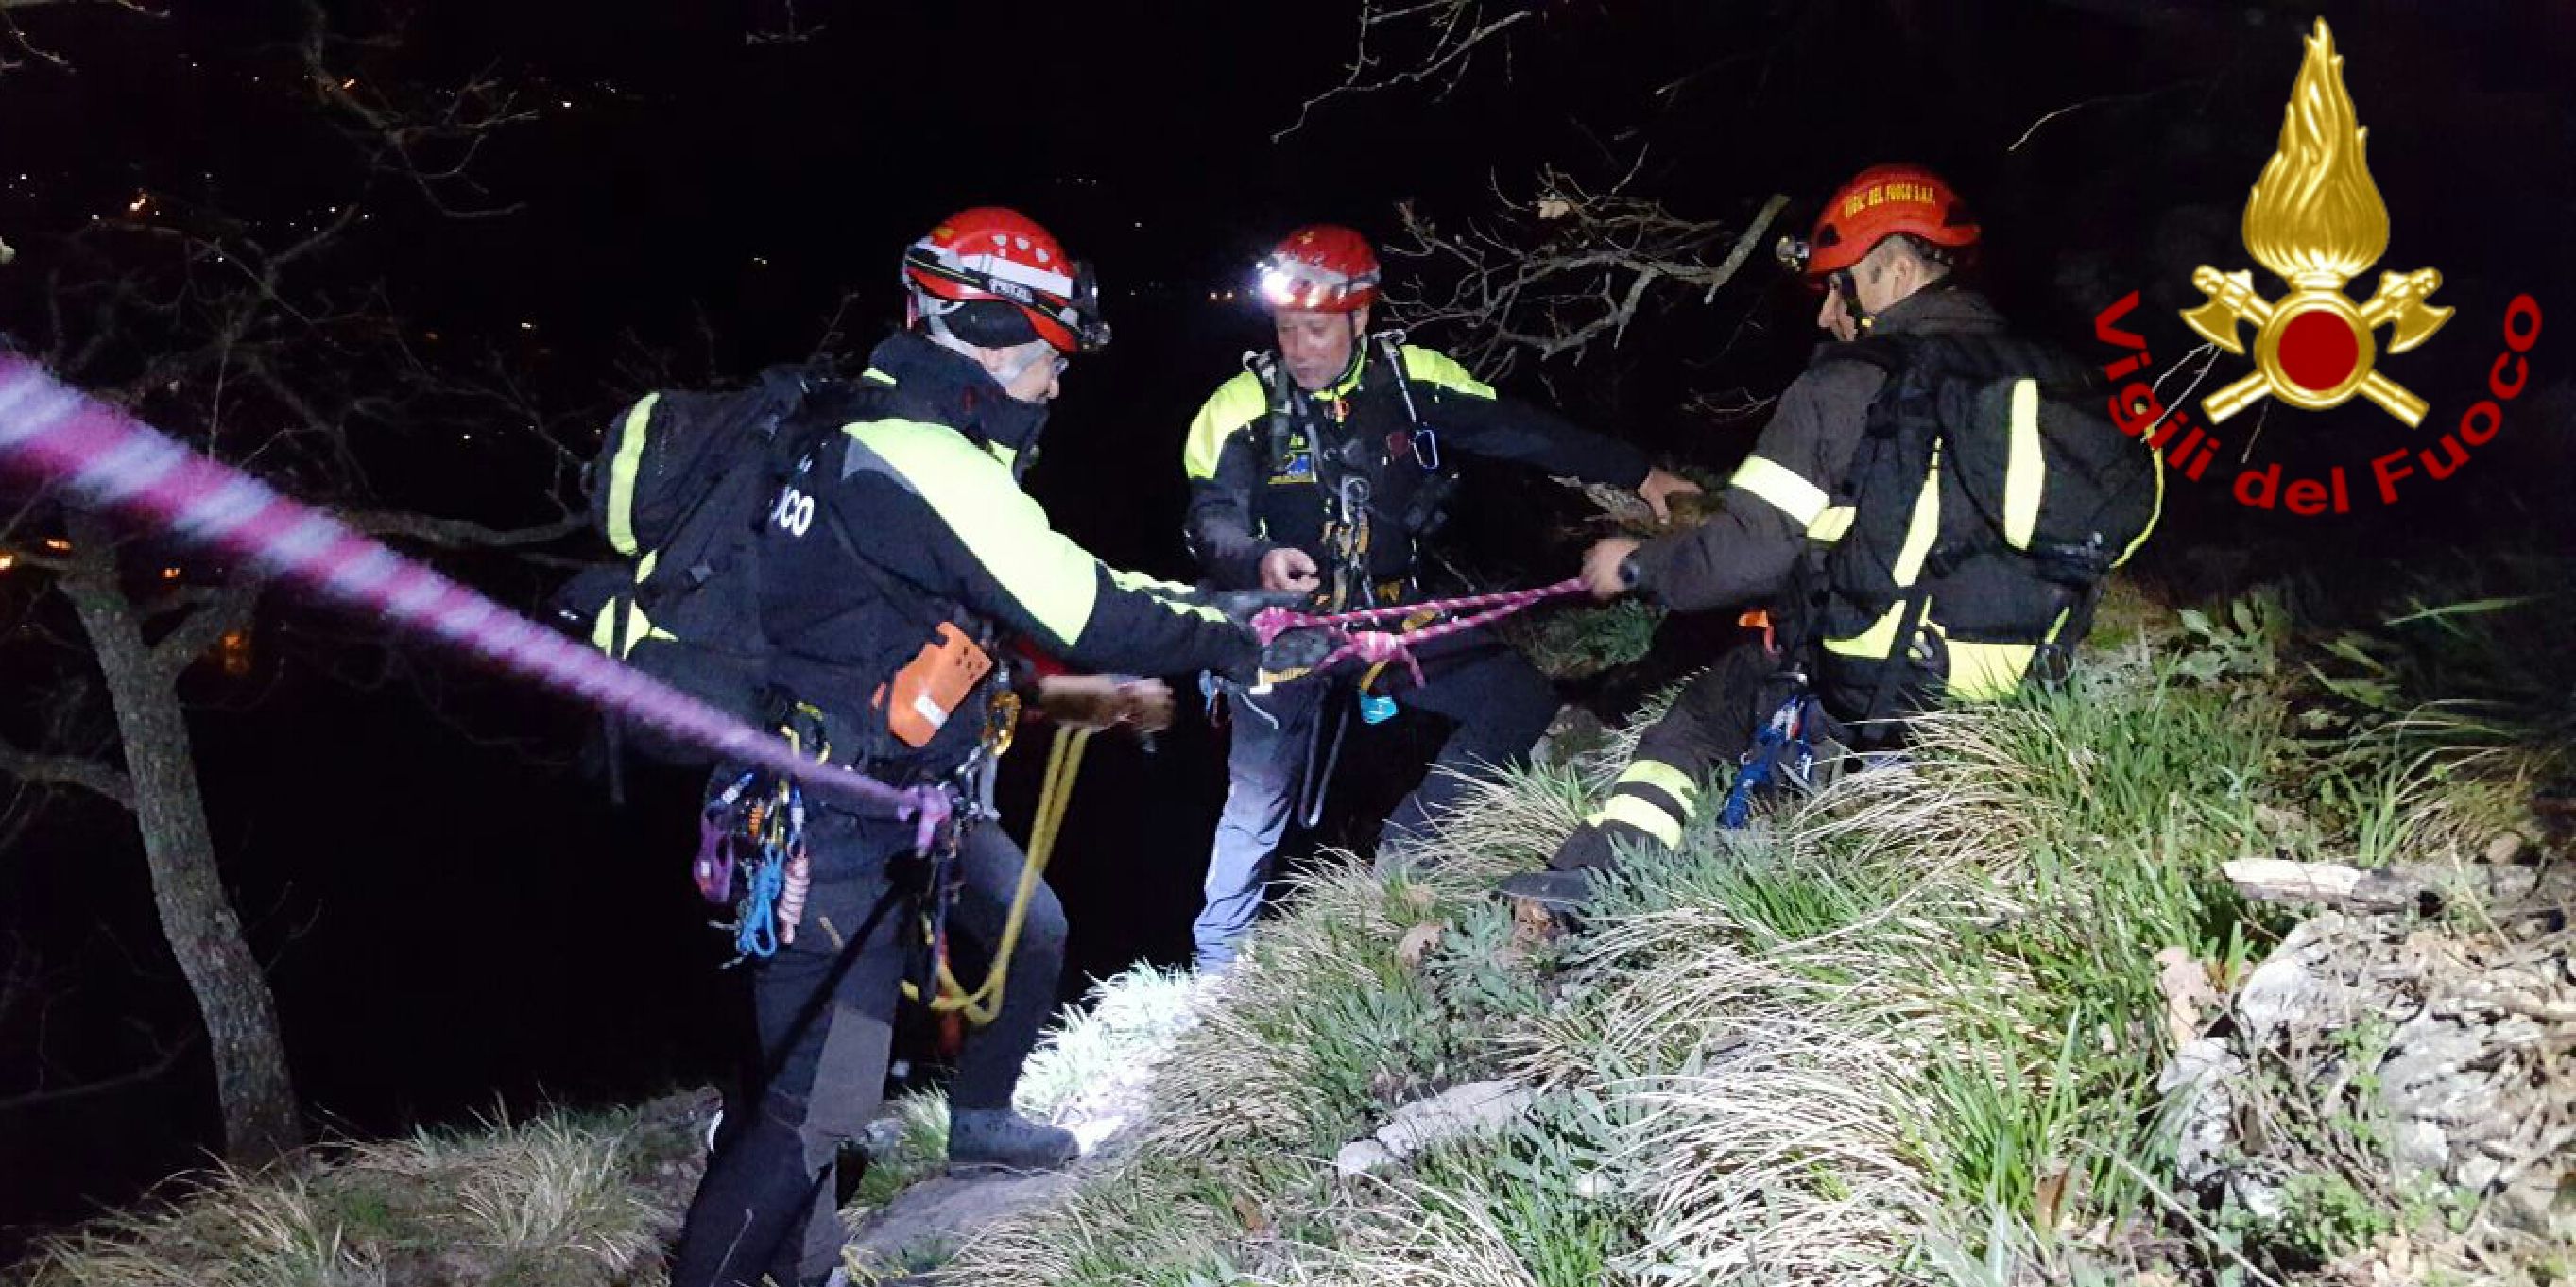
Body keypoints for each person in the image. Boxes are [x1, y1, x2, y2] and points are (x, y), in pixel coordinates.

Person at [670, 207, 1307, 1287]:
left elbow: (998, 608)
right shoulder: (916, 455)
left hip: (901, 801)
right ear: (985, 333)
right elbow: (1085, 606)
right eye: (1051, 358)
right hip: (834, 824)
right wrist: (1233, 636)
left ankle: (971, 1127)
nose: (1058, 385)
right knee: (811, 1108)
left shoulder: (886, 440)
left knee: (1028, 929)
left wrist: (1227, 602)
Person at [1502, 163, 2138, 909]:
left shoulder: (1847, 382)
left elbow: (1751, 550)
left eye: (1841, 287)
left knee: (1710, 706)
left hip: (1891, 691)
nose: (1826, 315)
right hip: (2028, 681)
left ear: (1895, 271)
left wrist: (1636, 564)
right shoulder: (2056, 379)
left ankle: (1598, 876)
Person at [1182, 223, 1700, 970]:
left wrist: (1640, 473)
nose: (1300, 349)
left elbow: (1524, 432)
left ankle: (1407, 856)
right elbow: (1212, 520)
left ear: (1360, 318)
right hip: (1280, 633)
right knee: (1257, 799)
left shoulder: (1411, 378)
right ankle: (1215, 963)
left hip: (1390, 620)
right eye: (1287, 330)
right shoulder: (1237, 407)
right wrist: (1262, 559)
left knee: (1515, 701)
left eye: (1318, 330)